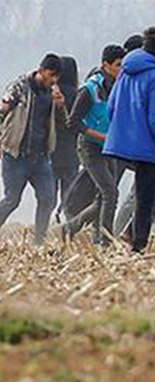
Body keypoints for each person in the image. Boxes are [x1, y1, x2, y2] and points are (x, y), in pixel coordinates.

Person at [103, 27, 155, 253]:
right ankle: (138, 247)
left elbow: (111, 106)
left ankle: (131, 231)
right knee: (146, 197)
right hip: (147, 144)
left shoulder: (126, 69)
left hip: (122, 141)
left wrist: (122, 131)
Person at [0, 54, 66, 245]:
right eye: (51, 75)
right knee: (12, 200)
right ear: (42, 70)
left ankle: (39, 241)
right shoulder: (20, 87)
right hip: (16, 154)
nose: (53, 80)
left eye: (57, 77)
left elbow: (63, 123)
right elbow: (2, 113)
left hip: (41, 157)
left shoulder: (52, 93)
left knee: (48, 198)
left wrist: (60, 105)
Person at [63, 44, 126, 245]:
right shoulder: (90, 89)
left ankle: (69, 229)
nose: (121, 69)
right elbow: (73, 122)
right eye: (118, 65)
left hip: (111, 146)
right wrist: (99, 136)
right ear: (106, 65)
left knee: (104, 197)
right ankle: (104, 242)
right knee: (110, 192)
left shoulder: (119, 86)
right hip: (90, 147)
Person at [51, 56, 80, 212]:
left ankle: (44, 225)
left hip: (51, 150)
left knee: (49, 196)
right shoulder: (78, 94)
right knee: (69, 196)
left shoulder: (51, 93)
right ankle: (69, 228)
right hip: (71, 152)